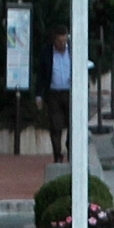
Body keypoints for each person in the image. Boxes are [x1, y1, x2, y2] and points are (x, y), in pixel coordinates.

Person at [44, 33, 72, 161]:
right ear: (55, 40)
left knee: (72, 123)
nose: (62, 44)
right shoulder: (48, 52)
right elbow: (41, 73)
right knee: (56, 126)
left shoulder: (72, 50)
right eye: (59, 41)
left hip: (69, 92)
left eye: (64, 41)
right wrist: (39, 95)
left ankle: (71, 149)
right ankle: (57, 154)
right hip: (54, 93)